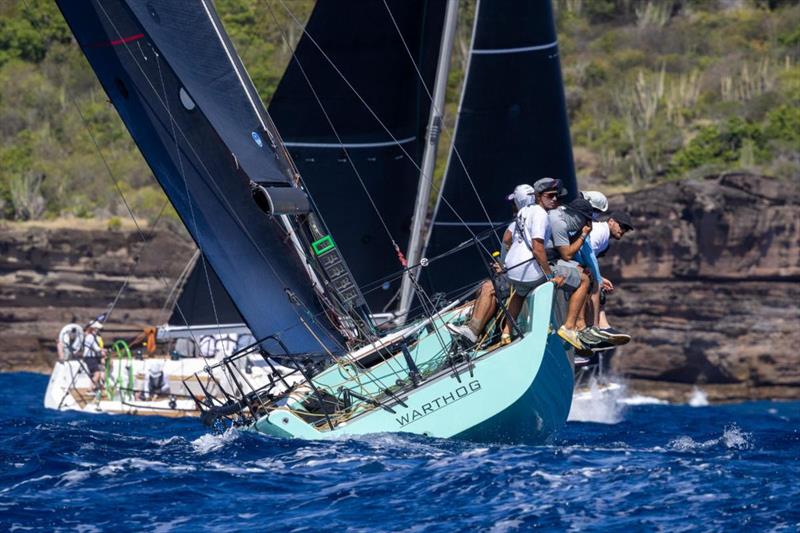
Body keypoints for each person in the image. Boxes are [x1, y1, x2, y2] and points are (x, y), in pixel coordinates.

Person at [446, 184, 535, 344]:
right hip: (514, 271)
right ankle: (476, 330)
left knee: (488, 287)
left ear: (519, 203)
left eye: (514, 203)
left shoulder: (524, 222)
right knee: (484, 287)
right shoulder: (522, 221)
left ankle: (473, 332)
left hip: (522, 273)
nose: (512, 207)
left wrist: (505, 267)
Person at [501, 178, 578, 344]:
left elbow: (508, 239)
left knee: (519, 294)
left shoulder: (523, 211)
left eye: (556, 196)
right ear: (538, 196)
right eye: (550, 196)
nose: (555, 199)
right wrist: (550, 276)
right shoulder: (541, 215)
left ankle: (506, 333)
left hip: (512, 269)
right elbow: (537, 248)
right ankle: (567, 328)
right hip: (529, 272)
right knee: (581, 279)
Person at [547, 196, 597, 349]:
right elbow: (567, 254)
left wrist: (583, 233)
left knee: (583, 272)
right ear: (577, 216)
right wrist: (583, 235)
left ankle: (577, 326)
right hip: (544, 264)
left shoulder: (560, 216)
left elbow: (565, 246)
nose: (584, 224)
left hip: (551, 259)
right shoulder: (559, 222)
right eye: (584, 220)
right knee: (584, 280)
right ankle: (569, 327)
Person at [585, 211, 635, 343]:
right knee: (595, 287)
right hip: (571, 262)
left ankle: (602, 327)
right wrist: (599, 279)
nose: (623, 231)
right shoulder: (600, 231)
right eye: (622, 226)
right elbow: (587, 254)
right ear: (611, 221)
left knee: (598, 288)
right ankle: (593, 329)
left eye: (626, 229)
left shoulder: (605, 240)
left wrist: (599, 277)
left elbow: (591, 260)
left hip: (581, 265)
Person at [82, 321, 107, 391]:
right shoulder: (90, 337)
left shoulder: (92, 336)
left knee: (97, 373)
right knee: (97, 373)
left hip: (92, 357)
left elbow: (96, 347)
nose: (98, 331)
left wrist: (102, 350)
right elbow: (95, 347)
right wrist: (102, 350)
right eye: (97, 329)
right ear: (93, 329)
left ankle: (93, 388)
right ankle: (90, 389)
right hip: (89, 357)